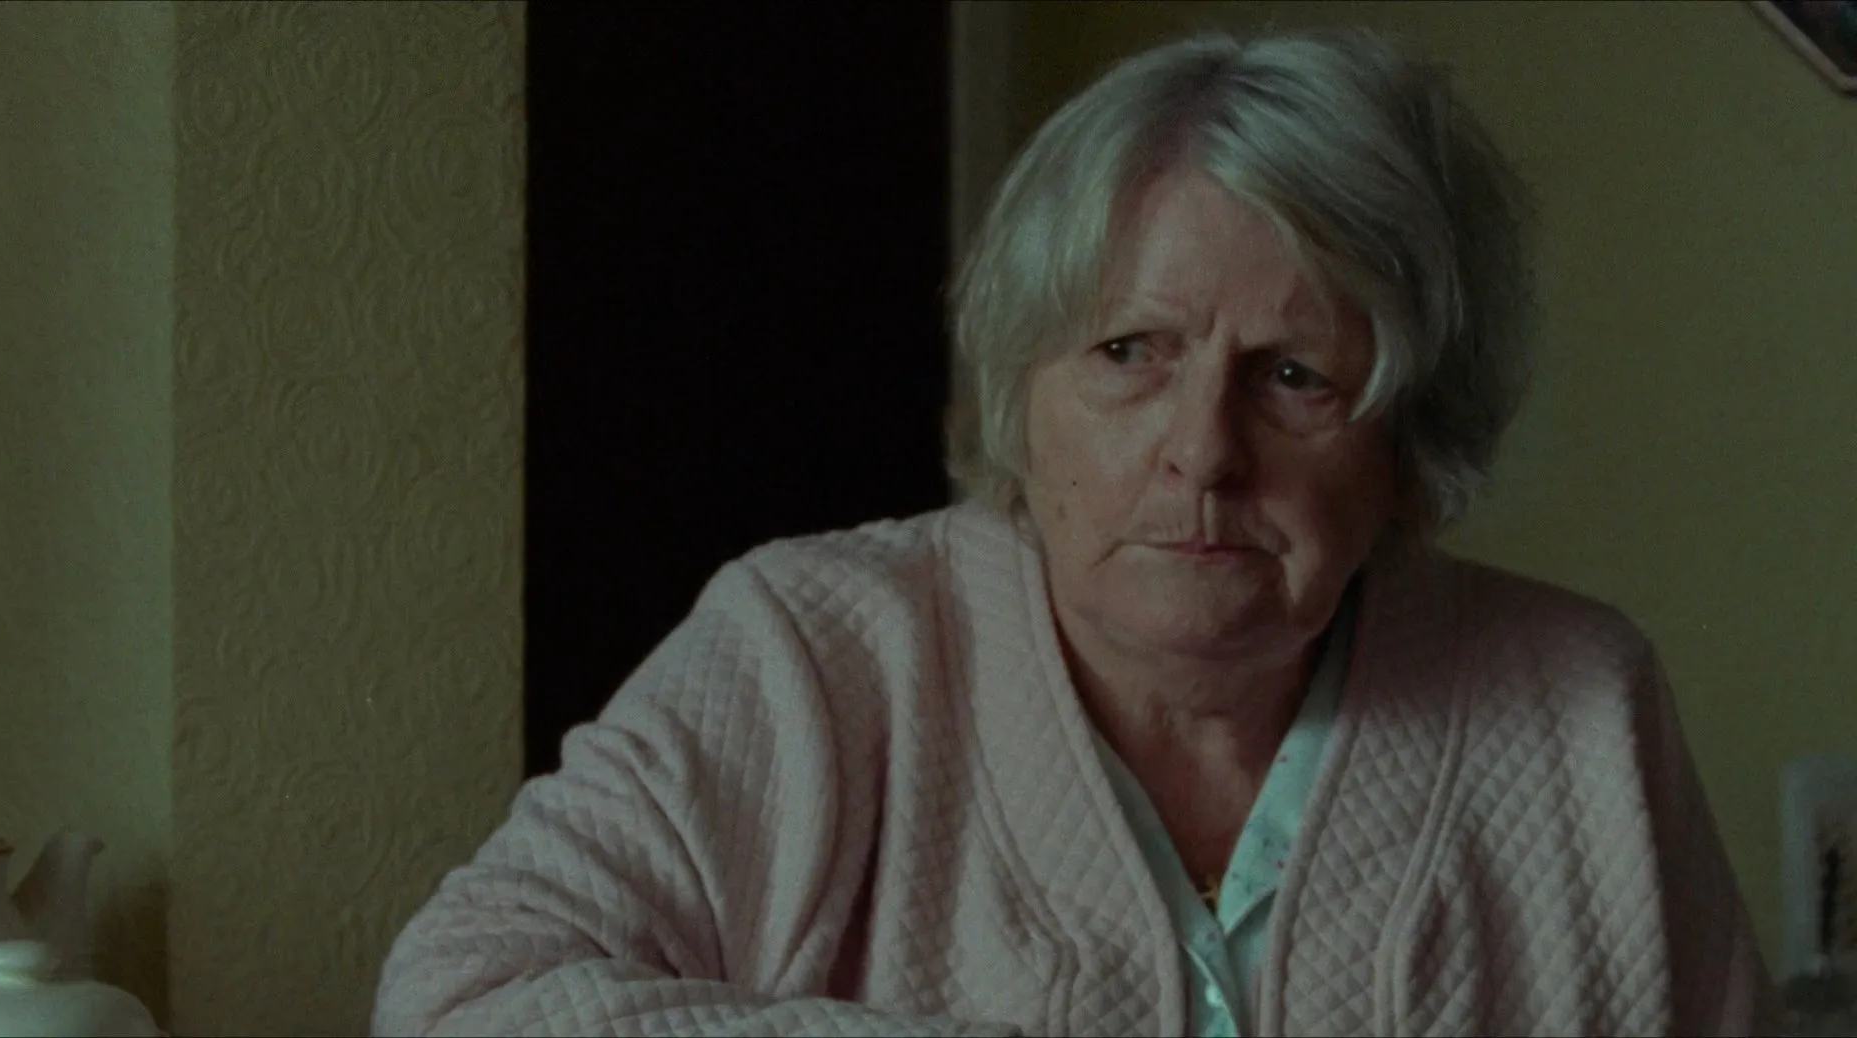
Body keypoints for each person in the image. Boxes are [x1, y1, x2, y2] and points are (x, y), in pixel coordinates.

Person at [372, 28, 1780, 1037]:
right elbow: (463, 995)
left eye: (1295, 376)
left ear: (1412, 442)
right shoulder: (815, 653)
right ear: (1019, 395)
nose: (1202, 450)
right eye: (1128, 352)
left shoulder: (1580, 707)